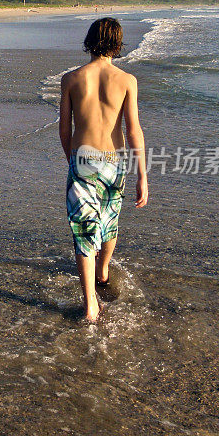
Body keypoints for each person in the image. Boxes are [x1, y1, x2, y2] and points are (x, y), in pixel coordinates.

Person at [59, 17, 148, 323]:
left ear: (90, 40)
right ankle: (103, 272)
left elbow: (64, 128)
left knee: (83, 232)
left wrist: (72, 161)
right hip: (113, 162)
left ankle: (90, 306)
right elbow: (133, 129)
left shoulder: (71, 79)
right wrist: (143, 175)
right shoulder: (127, 80)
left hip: (82, 159)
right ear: (117, 43)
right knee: (109, 221)